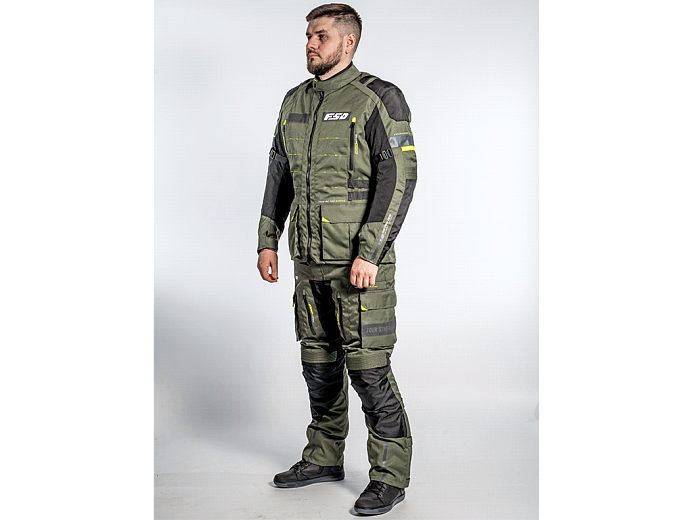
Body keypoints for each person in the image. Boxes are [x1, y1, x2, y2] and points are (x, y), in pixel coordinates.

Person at [256, 3, 417, 515]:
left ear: (348, 42)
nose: (310, 43)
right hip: (308, 264)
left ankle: (389, 476)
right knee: (319, 367)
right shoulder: (294, 101)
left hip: (358, 268)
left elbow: (399, 178)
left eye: (320, 36)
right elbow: (279, 172)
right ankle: (324, 457)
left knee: (369, 372)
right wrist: (267, 238)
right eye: (308, 35)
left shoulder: (378, 98)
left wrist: (371, 251)